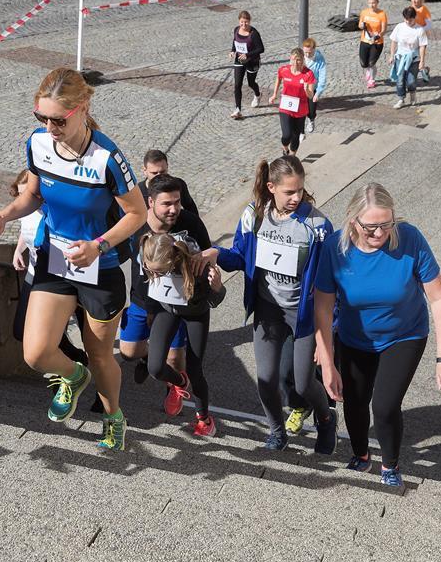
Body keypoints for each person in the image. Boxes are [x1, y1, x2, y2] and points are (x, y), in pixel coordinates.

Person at [0, 68, 146, 452]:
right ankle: (72, 376)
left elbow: (137, 215)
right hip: (56, 257)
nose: (49, 126)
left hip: (101, 266)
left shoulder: (107, 157)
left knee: (101, 352)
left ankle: (114, 418)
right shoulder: (37, 144)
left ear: (82, 109)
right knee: (36, 353)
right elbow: (33, 197)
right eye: (42, 117)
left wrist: (99, 245)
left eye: (58, 119)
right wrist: (3, 216)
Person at [314, 183, 441, 487]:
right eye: (371, 227)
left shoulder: (410, 239)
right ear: (353, 221)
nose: (379, 233)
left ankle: (390, 466)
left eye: (386, 225)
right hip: (355, 337)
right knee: (353, 401)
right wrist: (327, 363)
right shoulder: (335, 249)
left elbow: (440, 298)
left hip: (404, 334)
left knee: (384, 405)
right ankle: (361, 455)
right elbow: (323, 309)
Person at [200, 155, 336, 452]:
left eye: (300, 190)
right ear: (271, 187)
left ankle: (326, 420)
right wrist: (216, 254)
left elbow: (331, 279)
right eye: (289, 192)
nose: (296, 197)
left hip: (303, 315)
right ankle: (277, 431)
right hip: (267, 309)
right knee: (265, 378)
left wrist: (329, 326)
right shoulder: (254, 216)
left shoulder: (318, 226)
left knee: (301, 384)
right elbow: (239, 255)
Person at [119, 174, 211, 413]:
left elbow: (208, 254)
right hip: (142, 299)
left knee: (173, 358)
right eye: (166, 204)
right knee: (128, 352)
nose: (174, 209)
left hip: (176, 301)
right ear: (151, 203)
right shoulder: (135, 224)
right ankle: (147, 358)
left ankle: (175, 386)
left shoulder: (190, 223)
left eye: (177, 202)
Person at [9, 170, 92, 395]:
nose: (24, 200)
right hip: (37, 276)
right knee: (20, 330)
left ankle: (100, 396)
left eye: (29, 194)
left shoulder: (53, 211)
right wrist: (19, 249)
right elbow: (26, 230)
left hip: (70, 278)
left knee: (91, 339)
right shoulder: (25, 209)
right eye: (19, 196)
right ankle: (75, 360)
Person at [138, 231, 225, 436]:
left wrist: (217, 288)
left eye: (161, 272)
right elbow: (147, 285)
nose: (156, 276)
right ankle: (179, 382)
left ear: (175, 259)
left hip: (196, 313)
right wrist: (151, 309)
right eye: (152, 271)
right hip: (167, 309)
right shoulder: (149, 254)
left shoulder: (197, 266)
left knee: (195, 369)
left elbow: (214, 301)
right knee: (155, 367)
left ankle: (204, 419)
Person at [267, 48, 315, 156]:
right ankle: (285, 148)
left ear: (303, 60)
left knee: (295, 137)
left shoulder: (308, 74)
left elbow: (311, 95)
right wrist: (274, 94)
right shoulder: (284, 70)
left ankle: (292, 157)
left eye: (298, 60)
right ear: (290, 58)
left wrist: (306, 89)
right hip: (285, 107)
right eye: (293, 59)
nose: (296, 63)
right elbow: (278, 78)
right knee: (286, 135)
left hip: (300, 110)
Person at [387, 6, 428, 109]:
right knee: (400, 80)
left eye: (410, 19)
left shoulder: (420, 29)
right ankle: (401, 99)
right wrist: (392, 55)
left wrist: (422, 61)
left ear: (415, 18)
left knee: (411, 81)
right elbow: (394, 41)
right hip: (400, 58)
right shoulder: (399, 27)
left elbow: (422, 46)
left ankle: (412, 94)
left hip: (413, 59)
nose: (408, 21)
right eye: (406, 19)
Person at [138, 149, 198, 215]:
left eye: (162, 172)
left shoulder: (179, 184)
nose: (159, 176)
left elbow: (191, 209)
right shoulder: (137, 192)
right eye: (154, 173)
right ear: (145, 170)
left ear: (167, 166)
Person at [228, 10, 264, 120]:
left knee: (251, 83)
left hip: (252, 61)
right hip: (239, 60)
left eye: (246, 22)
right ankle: (238, 109)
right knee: (237, 84)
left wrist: (247, 54)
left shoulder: (254, 34)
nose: (244, 25)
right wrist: (232, 51)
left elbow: (261, 49)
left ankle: (257, 94)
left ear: (250, 21)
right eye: (242, 22)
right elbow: (235, 41)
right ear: (239, 21)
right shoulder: (236, 30)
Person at [358, 0, 388, 89]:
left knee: (371, 63)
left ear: (377, 2)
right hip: (365, 40)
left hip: (377, 43)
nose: (372, 5)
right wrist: (361, 26)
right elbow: (360, 25)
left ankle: (372, 80)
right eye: (370, 3)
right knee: (363, 63)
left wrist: (378, 36)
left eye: (374, 3)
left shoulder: (382, 14)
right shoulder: (364, 12)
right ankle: (368, 71)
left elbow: (384, 30)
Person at [301, 37, 328, 136]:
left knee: (311, 109)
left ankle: (311, 120)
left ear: (314, 49)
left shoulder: (319, 59)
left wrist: (318, 93)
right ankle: (300, 131)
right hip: (301, 86)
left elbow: (322, 77)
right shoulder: (301, 57)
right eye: (305, 53)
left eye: (309, 53)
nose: (307, 55)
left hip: (313, 87)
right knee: (299, 109)